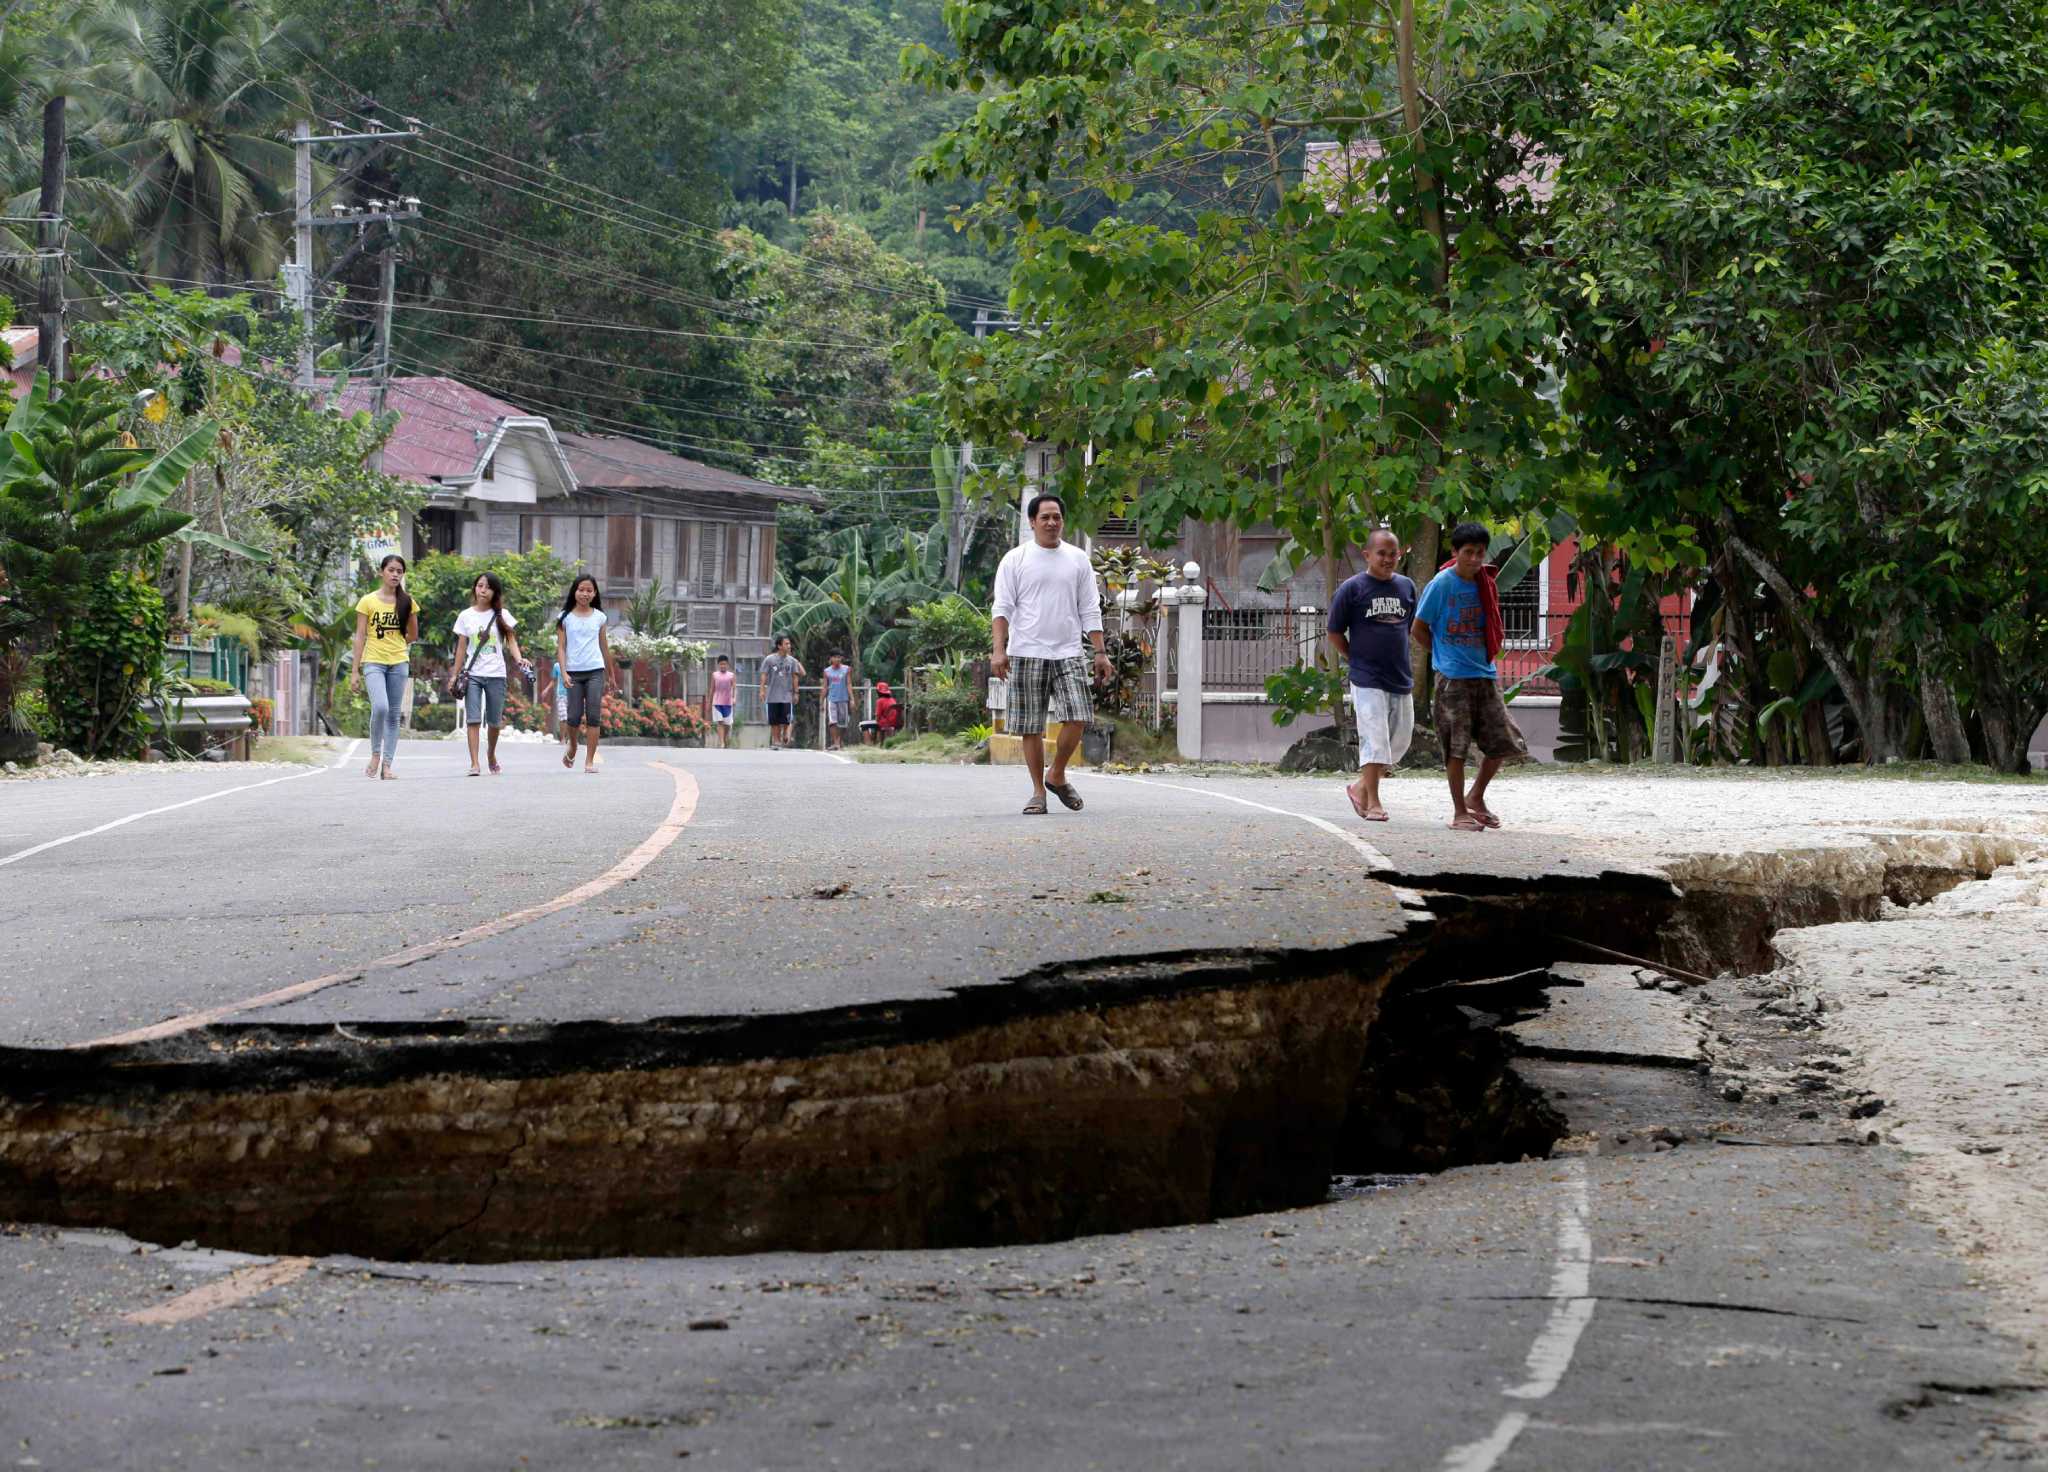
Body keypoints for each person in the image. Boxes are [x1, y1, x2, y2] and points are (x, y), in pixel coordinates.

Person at [991, 492, 1112, 815]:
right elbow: (1001, 608)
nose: (1051, 522)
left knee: (1078, 716)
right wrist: (998, 651)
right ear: (1032, 522)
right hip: (1026, 651)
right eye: (1044, 517)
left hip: (1069, 652)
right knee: (1031, 726)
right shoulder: (1015, 560)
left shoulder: (1077, 559)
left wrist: (1100, 652)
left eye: (1056, 517)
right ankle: (1037, 793)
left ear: (1063, 521)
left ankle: (1056, 773)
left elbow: (1090, 608)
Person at [1412, 521, 1528, 831]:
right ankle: (1459, 811)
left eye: (1479, 553)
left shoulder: (1485, 583)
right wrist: (1442, 657)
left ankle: (1476, 796)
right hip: (1452, 678)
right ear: (1455, 552)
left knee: (1504, 741)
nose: (1475, 560)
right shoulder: (1441, 584)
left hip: (1484, 674)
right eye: (1468, 553)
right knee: (1457, 748)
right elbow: (1418, 628)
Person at [1327, 528, 1417, 822]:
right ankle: (1374, 802)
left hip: (1399, 675)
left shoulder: (1406, 587)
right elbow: (1334, 632)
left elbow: (1409, 627)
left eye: (1393, 553)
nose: (1388, 558)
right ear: (1367, 555)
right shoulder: (1353, 588)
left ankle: (1359, 788)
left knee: (1399, 740)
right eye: (1381, 553)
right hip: (1366, 677)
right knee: (1375, 740)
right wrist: (1354, 658)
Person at [449, 572, 528, 777]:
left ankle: (491, 754)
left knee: (494, 722)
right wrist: (453, 675)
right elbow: (460, 649)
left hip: (496, 675)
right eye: (480, 586)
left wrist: (519, 659)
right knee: (473, 719)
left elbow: (511, 641)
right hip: (473, 674)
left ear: (494, 592)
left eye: (488, 587)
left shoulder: (503, 615)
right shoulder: (465, 616)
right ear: (475, 588)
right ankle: (475, 763)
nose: (483, 590)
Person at [350, 554, 418, 781]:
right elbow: (360, 636)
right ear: (382, 572)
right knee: (380, 707)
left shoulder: (407, 601)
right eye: (391, 570)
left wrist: (397, 644)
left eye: (399, 571)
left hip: (399, 662)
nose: (395, 574)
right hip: (373, 662)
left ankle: (387, 765)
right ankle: (375, 755)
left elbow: (413, 634)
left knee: (393, 714)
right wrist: (354, 671)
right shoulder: (367, 601)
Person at [554, 574, 618, 774]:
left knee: (593, 716)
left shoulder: (599, 617)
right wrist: (563, 673)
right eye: (581, 589)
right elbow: (561, 648)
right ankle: (572, 746)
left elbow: (604, 647)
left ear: (594, 593)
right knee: (573, 717)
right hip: (573, 672)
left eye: (589, 590)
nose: (585, 593)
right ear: (575, 591)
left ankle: (589, 761)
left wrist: (611, 675)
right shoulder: (564, 617)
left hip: (595, 671)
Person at [759, 635, 804, 750]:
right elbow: (764, 675)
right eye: (786, 644)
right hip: (772, 695)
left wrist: (796, 693)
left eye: (789, 644)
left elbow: (795, 677)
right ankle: (776, 741)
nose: (789, 646)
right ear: (779, 646)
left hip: (786, 696)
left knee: (786, 719)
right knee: (774, 721)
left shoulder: (792, 661)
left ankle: (785, 734)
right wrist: (762, 690)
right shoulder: (769, 659)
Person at [822, 654, 853, 751]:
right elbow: (825, 687)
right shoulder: (827, 671)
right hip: (832, 699)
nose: (837, 659)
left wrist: (852, 698)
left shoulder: (846, 669)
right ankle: (835, 743)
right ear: (831, 658)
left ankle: (839, 741)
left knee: (843, 723)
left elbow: (848, 683)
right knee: (832, 722)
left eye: (839, 657)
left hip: (843, 699)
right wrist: (821, 700)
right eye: (835, 657)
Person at [709, 654, 738, 749]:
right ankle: (721, 742)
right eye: (721, 664)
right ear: (718, 665)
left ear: (728, 665)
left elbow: (734, 688)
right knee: (720, 722)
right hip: (717, 702)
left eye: (724, 664)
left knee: (728, 724)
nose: (723, 666)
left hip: (728, 702)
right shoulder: (715, 675)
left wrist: (734, 698)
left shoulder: (731, 675)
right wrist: (709, 702)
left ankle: (724, 739)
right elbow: (712, 689)